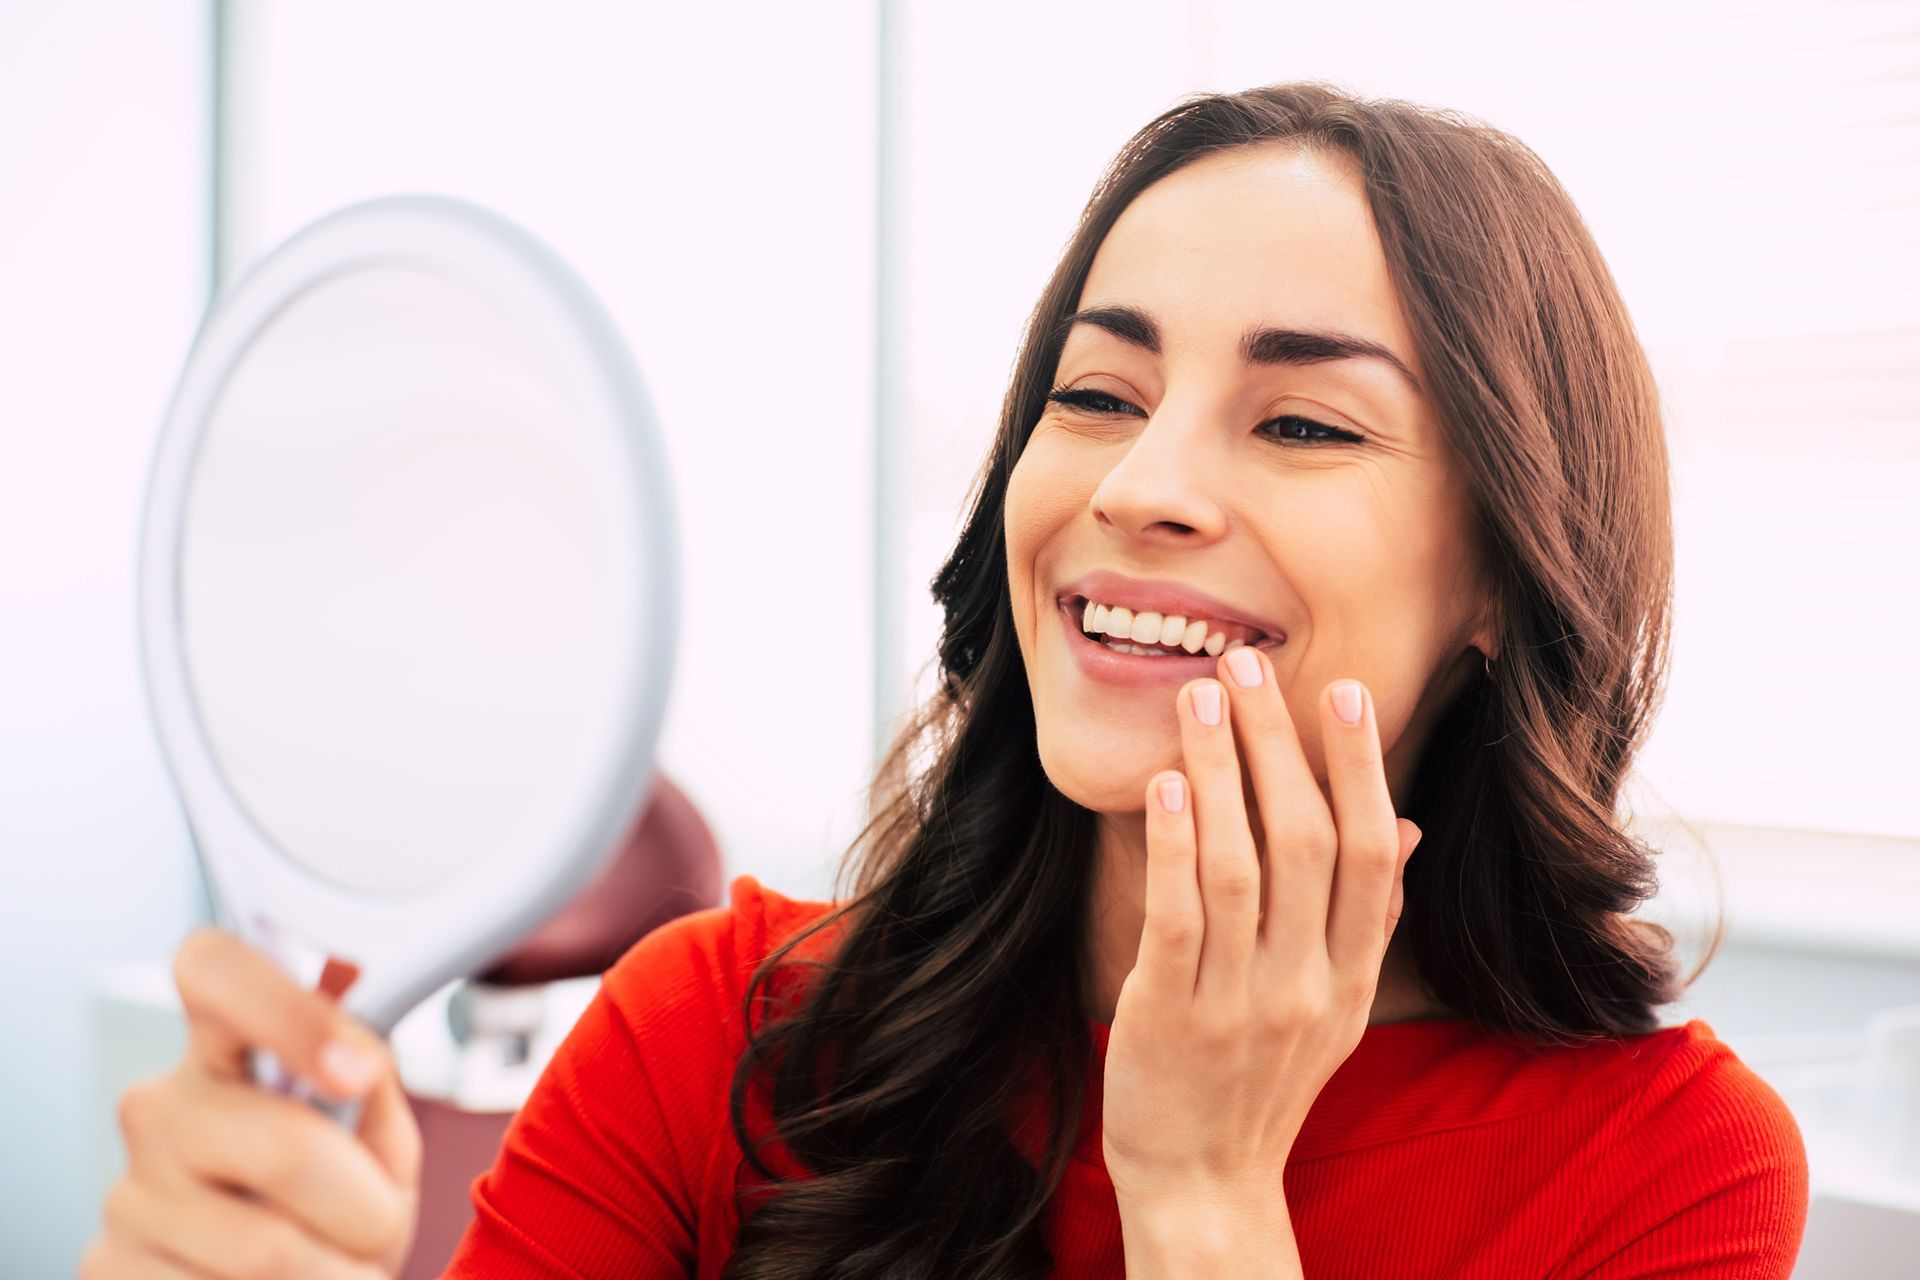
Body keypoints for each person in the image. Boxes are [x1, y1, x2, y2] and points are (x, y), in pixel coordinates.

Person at [85, 80, 1809, 1279]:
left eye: (1300, 420)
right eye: (1096, 394)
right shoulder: (709, 1035)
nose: (1140, 485)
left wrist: (1203, 1195)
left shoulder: (1667, 1174)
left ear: (1504, 577)